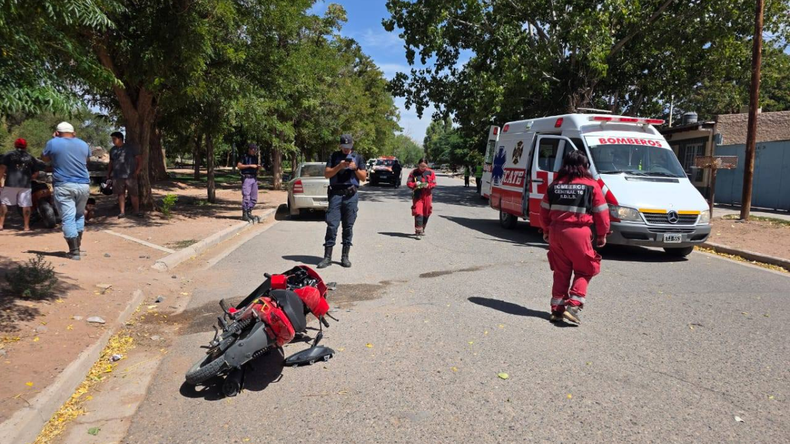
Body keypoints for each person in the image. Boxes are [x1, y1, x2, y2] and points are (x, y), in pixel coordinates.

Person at [539, 151, 610, 325]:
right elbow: (602, 213)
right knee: (586, 269)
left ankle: (556, 310)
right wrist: (602, 234)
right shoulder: (591, 185)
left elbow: (543, 211)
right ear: (584, 166)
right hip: (578, 232)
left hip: (556, 231)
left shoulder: (554, 185)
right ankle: (573, 306)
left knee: (561, 272)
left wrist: (546, 230)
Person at [42, 122, 91, 260]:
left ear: (57, 132)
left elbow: (44, 158)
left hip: (64, 184)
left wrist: (54, 140)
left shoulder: (53, 143)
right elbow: (86, 160)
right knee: (79, 215)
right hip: (83, 185)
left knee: (68, 217)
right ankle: (78, 245)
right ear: (73, 132)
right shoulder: (83, 144)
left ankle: (74, 251)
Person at [317, 134, 366, 269]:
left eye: (348, 146)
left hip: (351, 196)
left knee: (348, 226)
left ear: (352, 145)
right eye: (344, 147)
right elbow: (327, 174)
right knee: (332, 226)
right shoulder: (334, 156)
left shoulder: (358, 157)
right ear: (340, 146)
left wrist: (355, 168)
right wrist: (339, 166)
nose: (346, 149)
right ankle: (327, 257)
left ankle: (345, 257)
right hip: (335, 195)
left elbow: (363, 178)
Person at [0, 138, 44, 231]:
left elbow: (2, 168)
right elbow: (36, 173)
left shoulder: (8, 155)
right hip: (25, 184)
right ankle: (26, 226)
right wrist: (30, 178)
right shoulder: (30, 157)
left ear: (15, 145)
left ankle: (1, 225)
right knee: (26, 205)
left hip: (10, 183)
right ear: (26, 146)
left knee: (4, 203)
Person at [106, 131, 141, 218]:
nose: (113, 141)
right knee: (120, 194)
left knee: (134, 194)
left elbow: (139, 159)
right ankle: (122, 212)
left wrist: (137, 171)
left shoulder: (130, 148)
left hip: (130, 175)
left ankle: (136, 211)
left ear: (120, 139)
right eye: (112, 139)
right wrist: (108, 173)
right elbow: (111, 162)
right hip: (117, 176)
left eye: (114, 139)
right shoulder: (113, 150)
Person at [407, 159, 436, 237]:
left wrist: (428, 185)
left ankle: (423, 228)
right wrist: (415, 184)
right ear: (418, 165)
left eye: (425, 166)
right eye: (421, 166)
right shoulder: (413, 173)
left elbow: (434, 183)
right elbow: (409, 183)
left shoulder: (431, 172)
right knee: (418, 212)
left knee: (427, 212)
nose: (423, 168)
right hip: (418, 195)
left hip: (427, 195)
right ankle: (418, 231)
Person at [236, 143, 261, 221]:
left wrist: (258, 168)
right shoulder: (244, 157)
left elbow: (256, 168)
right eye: (253, 149)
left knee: (254, 198)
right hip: (246, 178)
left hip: (254, 178)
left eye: (255, 150)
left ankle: (249, 212)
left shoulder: (255, 158)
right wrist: (249, 165)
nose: (254, 151)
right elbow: (239, 166)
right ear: (249, 149)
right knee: (246, 196)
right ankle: (244, 214)